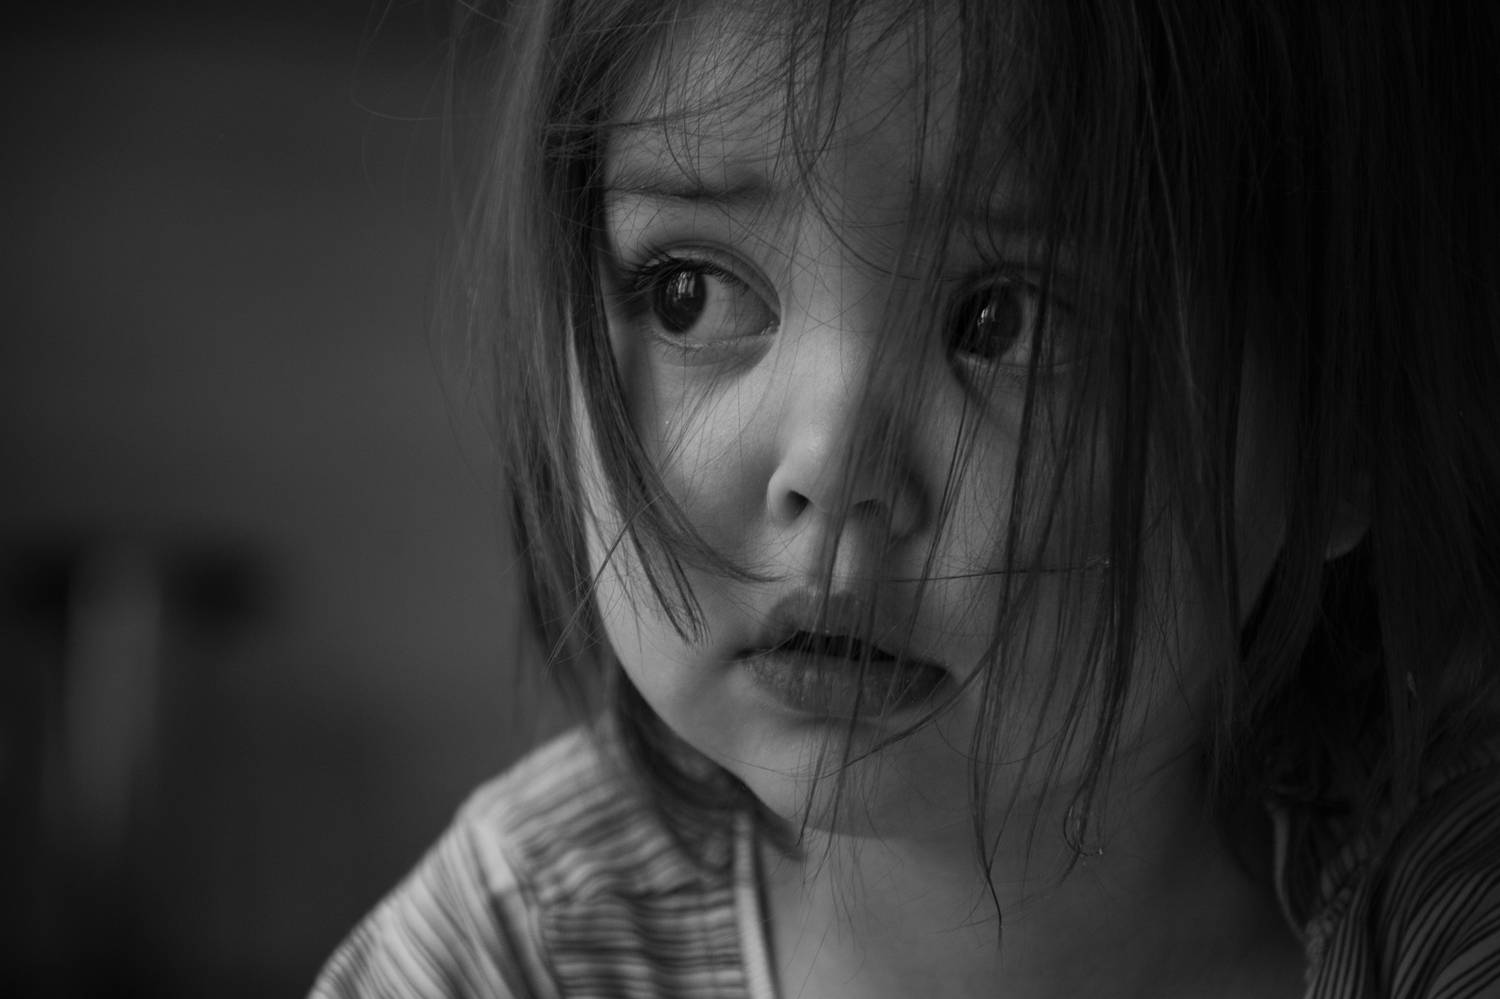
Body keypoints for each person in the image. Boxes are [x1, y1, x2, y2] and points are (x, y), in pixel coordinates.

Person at [312, 0, 1500, 995]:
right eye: (689, 291)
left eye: (1008, 320)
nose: (828, 470)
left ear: (1342, 428)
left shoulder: (1449, 923)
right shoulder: (513, 951)